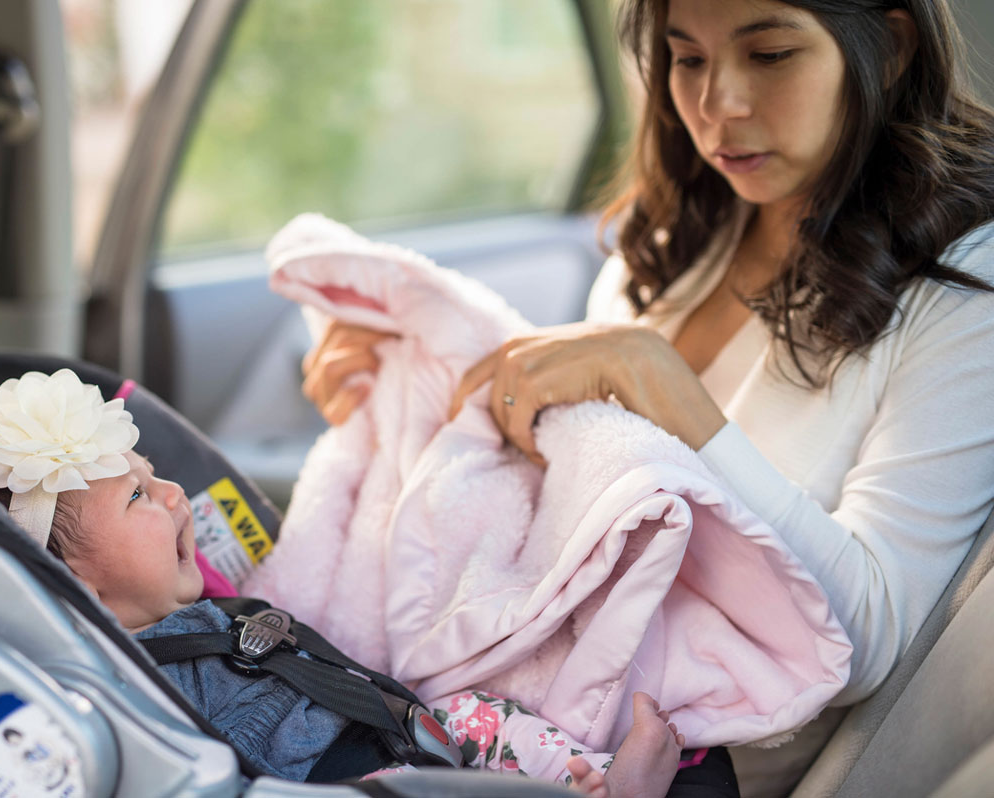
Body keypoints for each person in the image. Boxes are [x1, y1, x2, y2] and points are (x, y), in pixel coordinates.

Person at [301, 0, 994, 791]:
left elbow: (871, 638)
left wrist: (667, 391)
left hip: (695, 762)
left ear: (893, 46)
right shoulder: (669, 244)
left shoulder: (968, 284)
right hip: (532, 717)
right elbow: (573, 484)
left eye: (769, 55)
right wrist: (418, 388)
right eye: (687, 59)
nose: (717, 105)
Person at [0, 367, 716, 797]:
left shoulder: (210, 603)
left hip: (397, 729)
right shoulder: (116, 682)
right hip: (331, 784)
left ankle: (596, 779)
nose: (174, 494)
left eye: (154, 472)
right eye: (137, 496)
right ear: (70, 578)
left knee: (484, 718)